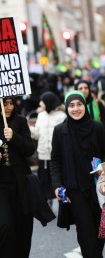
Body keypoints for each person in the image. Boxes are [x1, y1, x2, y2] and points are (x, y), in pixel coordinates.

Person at [0, 97, 54, 258]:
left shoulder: (19, 121)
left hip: (21, 184)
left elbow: (29, 150)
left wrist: (15, 137)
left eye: (11, 103)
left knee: (22, 231)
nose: (9, 107)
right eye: (4, 104)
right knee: (3, 228)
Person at [50, 90, 105, 258]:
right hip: (75, 190)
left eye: (79, 104)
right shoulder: (60, 131)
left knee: (100, 231)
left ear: (84, 105)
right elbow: (55, 161)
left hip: (98, 189)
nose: (76, 109)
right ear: (66, 108)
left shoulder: (97, 127)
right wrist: (57, 185)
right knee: (85, 233)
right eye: (71, 105)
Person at [29, 91, 66, 201]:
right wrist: (28, 129)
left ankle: (63, 202)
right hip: (44, 155)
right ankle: (46, 201)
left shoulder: (62, 116)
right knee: (44, 181)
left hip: (58, 155)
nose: (40, 103)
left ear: (49, 102)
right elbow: (37, 134)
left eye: (43, 101)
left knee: (60, 180)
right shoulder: (41, 115)